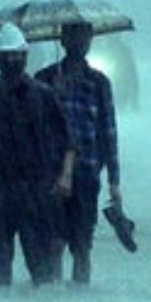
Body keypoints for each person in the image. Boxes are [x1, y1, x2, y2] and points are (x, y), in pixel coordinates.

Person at [0, 22, 75, 286]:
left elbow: (68, 140)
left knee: (39, 265)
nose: (12, 60)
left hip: (35, 191)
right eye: (6, 55)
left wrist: (65, 176)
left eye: (17, 54)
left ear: (25, 56)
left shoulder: (44, 94)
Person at [35, 21, 122, 284]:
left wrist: (114, 181)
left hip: (87, 173)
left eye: (84, 38)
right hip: (51, 173)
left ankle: (81, 293)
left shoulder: (99, 82)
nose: (79, 44)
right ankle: (54, 298)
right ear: (62, 41)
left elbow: (108, 131)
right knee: (54, 241)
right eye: (73, 38)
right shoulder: (44, 79)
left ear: (90, 42)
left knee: (83, 245)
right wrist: (53, 96)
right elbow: (35, 126)